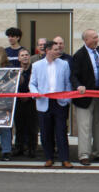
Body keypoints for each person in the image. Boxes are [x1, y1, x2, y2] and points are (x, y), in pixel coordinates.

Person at [29, 40, 73, 168]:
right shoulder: (37, 65)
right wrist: (35, 93)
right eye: (55, 49)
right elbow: (32, 83)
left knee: (61, 132)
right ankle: (49, 157)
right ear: (47, 50)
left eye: (59, 49)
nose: (58, 51)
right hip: (43, 102)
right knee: (45, 132)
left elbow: (67, 83)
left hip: (60, 102)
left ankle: (65, 158)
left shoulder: (64, 64)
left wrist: (67, 99)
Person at [71, 29, 99, 165]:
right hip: (84, 98)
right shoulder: (79, 55)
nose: (97, 39)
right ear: (86, 40)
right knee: (85, 127)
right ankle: (84, 154)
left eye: (97, 36)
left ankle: (98, 152)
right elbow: (73, 75)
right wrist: (78, 86)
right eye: (94, 37)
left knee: (98, 125)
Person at [13, 48, 38, 158]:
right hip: (19, 101)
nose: (25, 57)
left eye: (27, 55)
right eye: (22, 55)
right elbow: (12, 85)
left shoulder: (35, 69)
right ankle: (19, 147)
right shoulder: (16, 71)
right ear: (19, 58)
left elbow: (38, 83)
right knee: (19, 126)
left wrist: (29, 94)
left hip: (31, 101)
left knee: (32, 126)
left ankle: (32, 149)